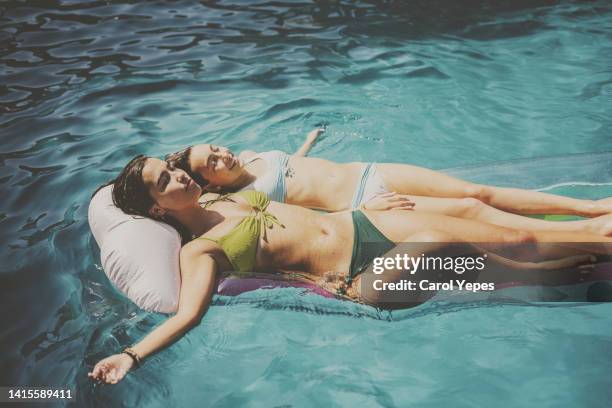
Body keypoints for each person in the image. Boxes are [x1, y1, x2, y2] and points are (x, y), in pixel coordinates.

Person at [89, 155, 612, 384]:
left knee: (516, 231)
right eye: (167, 180)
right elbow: (188, 316)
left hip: (367, 224)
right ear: (158, 210)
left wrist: (369, 209)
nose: (179, 175)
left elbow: (304, 205)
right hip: (364, 278)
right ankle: (550, 275)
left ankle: (596, 231)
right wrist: (131, 355)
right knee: (443, 241)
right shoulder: (197, 251)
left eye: (173, 167)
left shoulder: (228, 197)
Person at [165, 128, 612, 236]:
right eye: (213, 162)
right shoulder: (247, 199)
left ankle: (593, 206)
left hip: (371, 171)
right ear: (208, 182)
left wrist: (307, 142)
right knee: (473, 212)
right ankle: (584, 230)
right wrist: (363, 214)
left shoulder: (251, 159)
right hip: (370, 200)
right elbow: (306, 219)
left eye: (216, 148)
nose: (222, 154)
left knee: (477, 191)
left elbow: (292, 166)